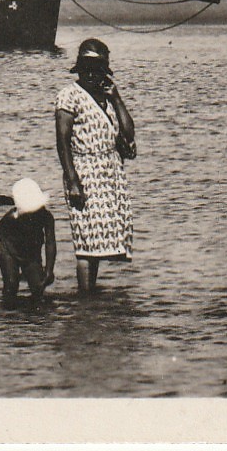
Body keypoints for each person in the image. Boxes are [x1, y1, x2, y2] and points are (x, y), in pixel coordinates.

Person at [55, 38, 135, 292]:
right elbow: (62, 141)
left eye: (97, 69)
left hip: (109, 175)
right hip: (84, 173)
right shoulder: (69, 96)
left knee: (98, 243)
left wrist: (117, 98)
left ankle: (91, 300)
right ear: (79, 68)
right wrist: (73, 181)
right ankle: (85, 299)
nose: (91, 74)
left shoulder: (106, 97)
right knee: (85, 241)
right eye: (87, 69)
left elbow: (129, 133)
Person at [0, 178, 57, 308]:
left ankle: (34, 316)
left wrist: (49, 269)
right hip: (9, 251)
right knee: (11, 285)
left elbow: (50, 243)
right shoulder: (12, 216)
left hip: (31, 254)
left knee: (38, 287)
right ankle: (9, 313)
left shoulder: (46, 217)